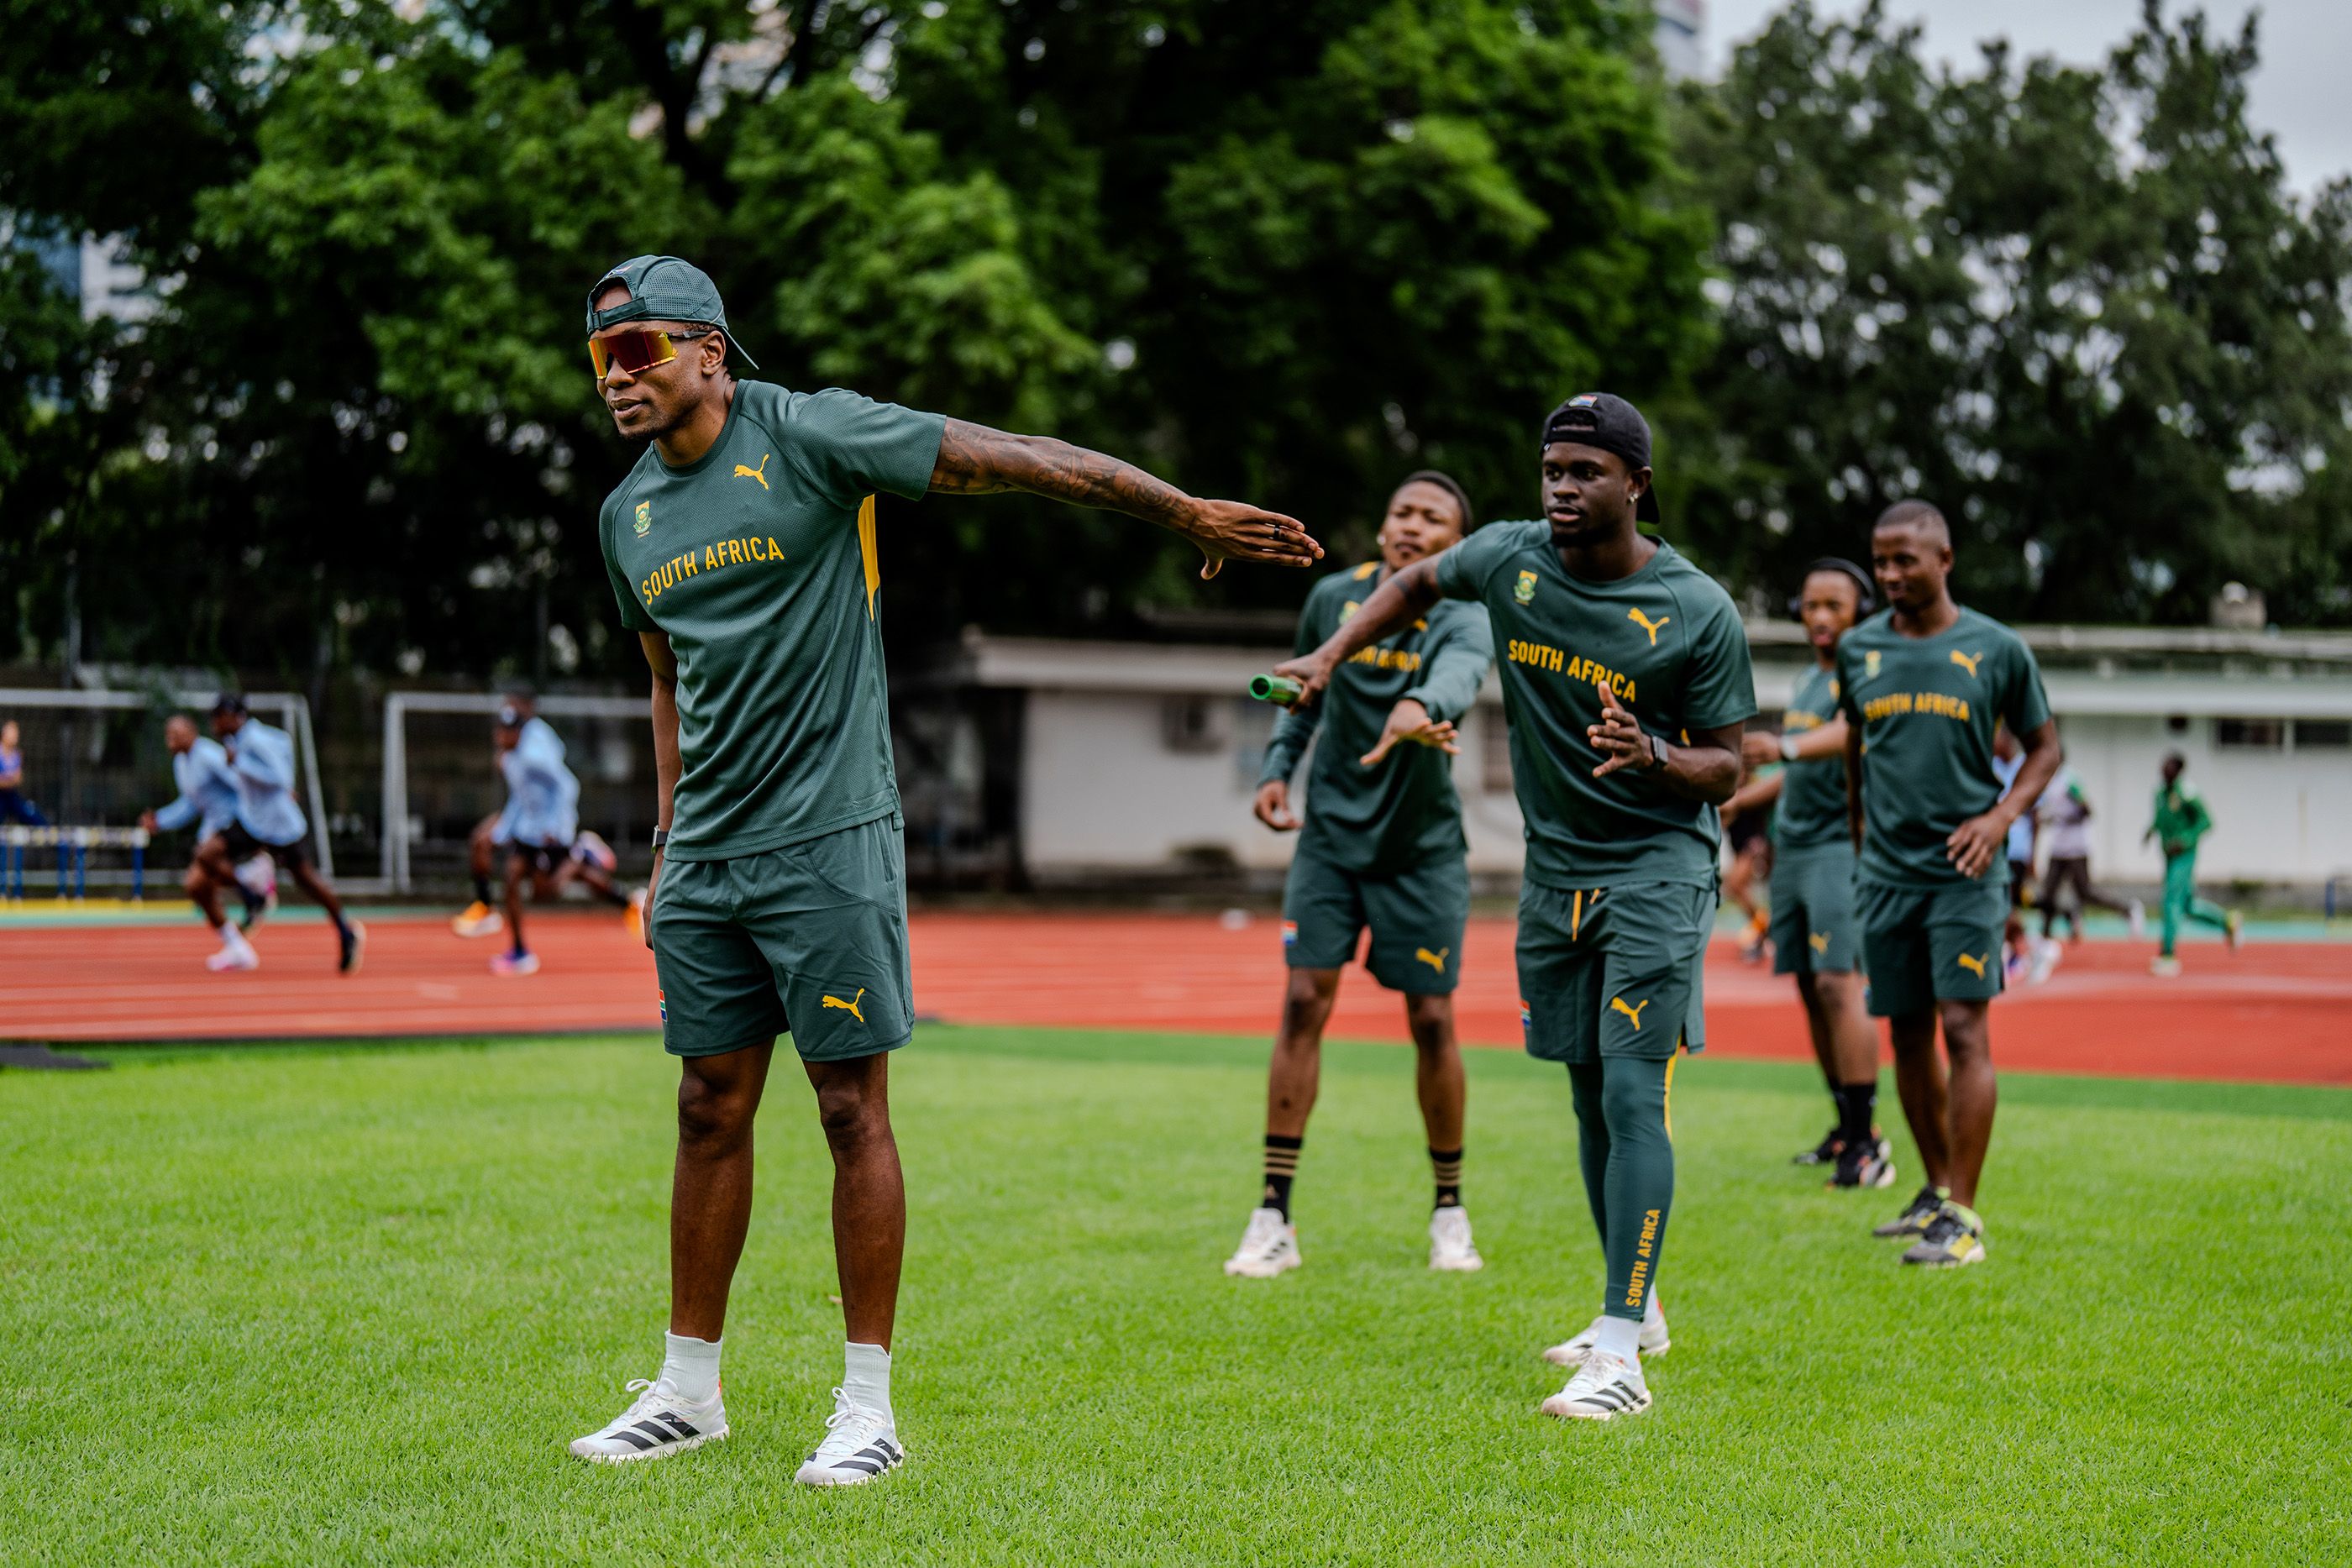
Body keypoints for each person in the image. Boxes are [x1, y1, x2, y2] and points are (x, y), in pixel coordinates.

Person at [566, 255, 1320, 1481]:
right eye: (602, 357)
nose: (616, 377)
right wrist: (663, 842)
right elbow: (666, 682)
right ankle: (687, 1389)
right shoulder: (627, 517)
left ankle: (867, 1407)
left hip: (830, 837)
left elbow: (1021, 457)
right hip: (704, 852)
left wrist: (1181, 511)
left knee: (848, 1107)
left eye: (639, 347)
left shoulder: (811, 434)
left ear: (710, 348)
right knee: (707, 1106)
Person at [1274, 392, 1752, 1423]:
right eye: (1552, 470)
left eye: (1587, 471)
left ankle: (1618, 1358)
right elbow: (1413, 583)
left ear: (1637, 484)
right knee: (1586, 1094)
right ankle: (1637, 1308)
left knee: (1633, 1096)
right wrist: (1328, 655)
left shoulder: (1695, 607)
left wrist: (1653, 751)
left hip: (1657, 871)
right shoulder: (1509, 557)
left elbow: (1729, 766)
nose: (1563, 488)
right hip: (1555, 877)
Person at [1227, 471, 1496, 1280]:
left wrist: (1421, 707)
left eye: (1432, 517)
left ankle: (1449, 1211)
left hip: (1422, 849)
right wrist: (1277, 770)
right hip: (1331, 842)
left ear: (1456, 542)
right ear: (1382, 529)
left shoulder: (1463, 609)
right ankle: (1273, 1214)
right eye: (1401, 511)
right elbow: (1306, 695)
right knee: (1303, 1001)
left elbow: (1461, 674)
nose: (1412, 525)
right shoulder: (1333, 598)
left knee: (1433, 1018)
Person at [1839, 501, 2061, 1268]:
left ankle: (1963, 1216)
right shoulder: (1859, 648)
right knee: (1905, 1034)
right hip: (1885, 875)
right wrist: (1859, 837)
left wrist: (2000, 819)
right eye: (1880, 560)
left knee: (1963, 1028)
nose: (1890, 574)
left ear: (1945, 559)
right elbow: (1856, 748)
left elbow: (2044, 748)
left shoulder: (1997, 648)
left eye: (1905, 559)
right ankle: (1935, 1192)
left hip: (1965, 871)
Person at [1735, 560, 1892, 1188]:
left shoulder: (1868, 672)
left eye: (1835, 605)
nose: (1820, 617)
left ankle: (1868, 1142)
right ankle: (1845, 1127)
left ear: (1862, 612)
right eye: (1811, 605)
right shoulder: (1806, 680)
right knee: (1807, 986)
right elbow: (1795, 771)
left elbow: (1851, 730)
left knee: (1836, 982)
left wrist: (1786, 746)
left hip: (1837, 848)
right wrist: (1738, 800)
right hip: (1792, 850)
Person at [195, 695, 365, 975]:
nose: (214, 724)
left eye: (217, 717)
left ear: (233, 716)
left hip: (279, 826)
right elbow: (283, 744)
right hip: (252, 821)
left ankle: (346, 931)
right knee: (207, 854)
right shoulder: (238, 739)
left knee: (307, 880)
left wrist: (242, 763)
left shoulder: (255, 739)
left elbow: (281, 776)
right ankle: (253, 897)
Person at [140, 714, 274, 931]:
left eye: (175, 734)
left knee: (204, 856)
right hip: (213, 825)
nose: (170, 740)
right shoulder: (181, 763)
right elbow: (190, 804)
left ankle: (253, 885)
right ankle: (238, 927)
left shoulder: (209, 754)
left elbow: (240, 780)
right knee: (196, 884)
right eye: (167, 735)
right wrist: (160, 820)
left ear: (192, 733)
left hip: (235, 820)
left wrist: (266, 802)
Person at [2143, 753, 2241, 977]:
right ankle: (2227, 921)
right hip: (2168, 855)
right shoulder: (2159, 794)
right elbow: (2160, 818)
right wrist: (2150, 832)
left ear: (2178, 771)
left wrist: (2186, 839)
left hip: (2184, 855)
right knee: (2186, 906)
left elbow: (2206, 821)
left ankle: (2168, 955)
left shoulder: (2187, 793)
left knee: (2171, 900)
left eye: (2170, 766)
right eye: (2163, 764)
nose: (2164, 769)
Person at [2036, 764, 2142, 942]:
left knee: (2084, 893)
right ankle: (2045, 936)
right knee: (2049, 893)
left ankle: (2128, 910)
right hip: (2058, 847)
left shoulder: (2070, 782)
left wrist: (2065, 818)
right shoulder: (2048, 782)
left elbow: (2087, 810)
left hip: (2076, 848)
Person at [1990, 728, 2057, 984]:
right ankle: (2031, 950)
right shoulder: (1993, 766)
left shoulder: (2025, 766)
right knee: (2005, 904)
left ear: (2007, 742)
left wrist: (2032, 856)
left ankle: (2026, 951)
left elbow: (2035, 815)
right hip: (1997, 846)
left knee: (2006, 904)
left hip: (2018, 849)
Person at [1719, 772, 1773, 962]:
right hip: (1738, 846)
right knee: (1735, 888)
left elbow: (1766, 817)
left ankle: (1764, 928)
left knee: (1735, 885)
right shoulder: (1728, 789)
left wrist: (1762, 843)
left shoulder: (1756, 789)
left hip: (1751, 846)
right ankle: (1763, 927)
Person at [0, 720, 50, 826]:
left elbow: (18, 780)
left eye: (17, 732)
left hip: (11, 795)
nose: (16, 735)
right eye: (13, 732)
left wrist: (6, 779)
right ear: (4, 733)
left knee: (35, 818)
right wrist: (10, 779)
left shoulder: (17, 754)